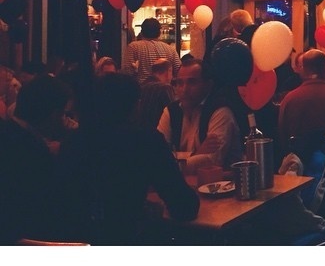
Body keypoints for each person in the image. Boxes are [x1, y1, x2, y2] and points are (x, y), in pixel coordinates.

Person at [55, 72, 199, 245]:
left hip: (74, 240)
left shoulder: (74, 140)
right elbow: (184, 207)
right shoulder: (145, 140)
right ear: (136, 105)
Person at [0, 75, 75, 243]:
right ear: (53, 114)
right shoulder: (33, 153)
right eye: (63, 113)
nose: (65, 121)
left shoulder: (8, 133)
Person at [157, 56, 242, 173]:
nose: (184, 89)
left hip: (221, 187)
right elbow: (157, 154)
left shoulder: (221, 111)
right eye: (179, 83)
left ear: (208, 85)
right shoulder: (171, 111)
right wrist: (196, 154)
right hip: (184, 185)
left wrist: (174, 163)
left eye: (192, 82)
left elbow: (212, 161)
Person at [122, 17, 181, 84]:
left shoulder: (133, 47)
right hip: (164, 90)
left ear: (142, 32)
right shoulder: (170, 49)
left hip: (142, 91)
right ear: (159, 33)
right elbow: (179, 72)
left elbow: (127, 73)